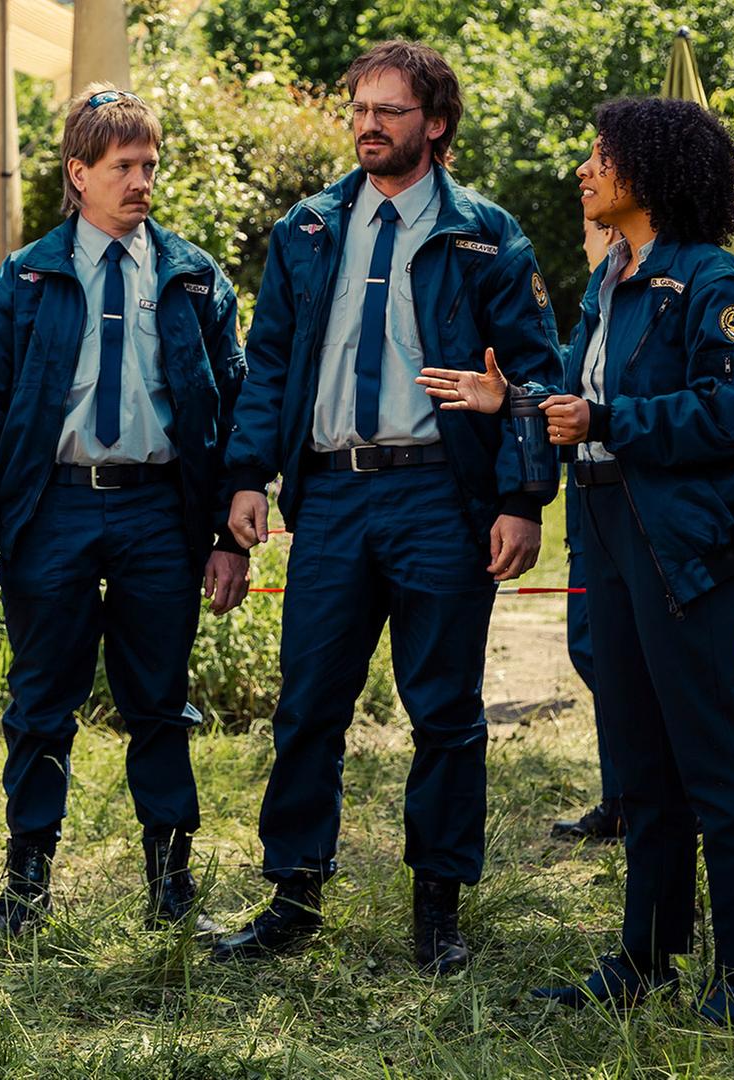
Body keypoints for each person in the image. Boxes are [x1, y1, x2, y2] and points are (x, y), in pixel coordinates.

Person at [423, 97, 734, 1029]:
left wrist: (614, 424)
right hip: (607, 535)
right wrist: (512, 398)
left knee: (712, 758)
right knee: (637, 762)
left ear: (651, 172)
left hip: (681, 548)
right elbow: (579, 396)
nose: (584, 170)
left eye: (601, 155)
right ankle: (647, 958)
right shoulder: (610, 281)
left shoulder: (708, 282)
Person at [212, 40, 561, 971]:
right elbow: (270, 362)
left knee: (444, 709)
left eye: (391, 111)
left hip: (440, 497)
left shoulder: (488, 234)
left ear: (435, 124)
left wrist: (523, 498)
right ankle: (293, 897)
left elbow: (534, 375)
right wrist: (247, 477)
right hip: (328, 494)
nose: (369, 124)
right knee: (308, 703)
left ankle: (438, 911)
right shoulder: (310, 227)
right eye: (360, 109)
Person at [0, 85, 249, 945]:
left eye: (150, 165)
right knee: (41, 703)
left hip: (160, 512)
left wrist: (228, 534)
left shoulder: (191, 277)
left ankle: (171, 882)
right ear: (79, 174)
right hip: (56, 512)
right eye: (124, 167)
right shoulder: (27, 280)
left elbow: (234, 409)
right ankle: (25, 888)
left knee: (160, 701)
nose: (142, 181)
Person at [551, 218, 625, 844]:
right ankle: (623, 793)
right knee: (593, 648)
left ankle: (650, 793)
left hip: (634, 509)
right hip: (588, 509)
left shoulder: (665, 284)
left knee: (622, 657)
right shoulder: (598, 292)